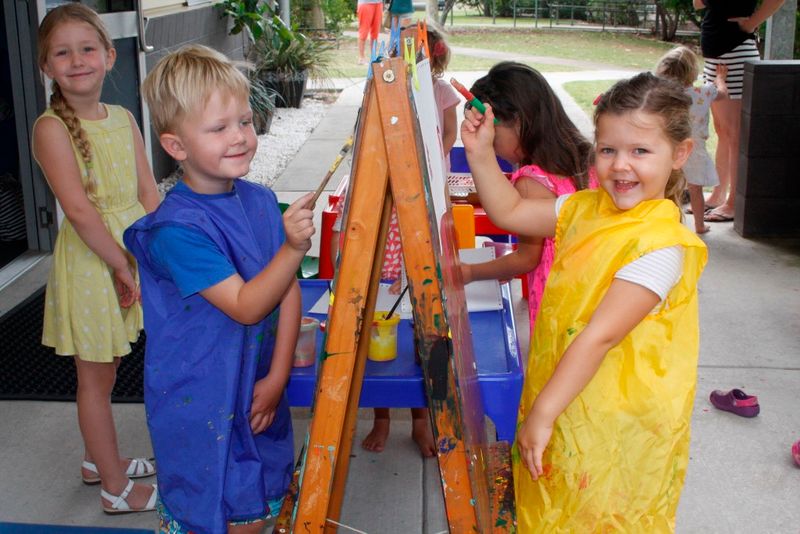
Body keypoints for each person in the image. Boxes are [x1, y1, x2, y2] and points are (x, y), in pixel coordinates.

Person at [461, 72, 708, 531]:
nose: (620, 166)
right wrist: (479, 153)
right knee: (557, 505)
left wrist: (542, 413)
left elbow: (600, 336)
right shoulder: (584, 208)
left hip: (617, 422)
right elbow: (510, 212)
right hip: (569, 396)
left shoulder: (661, 246)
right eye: (608, 149)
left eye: (640, 151)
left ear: (680, 154)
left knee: (600, 515)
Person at [124, 45, 315, 533]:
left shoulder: (259, 200)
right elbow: (247, 306)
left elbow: (286, 293)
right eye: (219, 128)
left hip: (256, 392)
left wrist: (276, 378)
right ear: (176, 146)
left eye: (246, 122)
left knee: (262, 505)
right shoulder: (177, 231)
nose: (240, 137)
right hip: (201, 401)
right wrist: (291, 249)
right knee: (213, 512)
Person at [32, 3, 160, 514]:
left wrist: (167, 251)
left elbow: (149, 190)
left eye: (88, 48)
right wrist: (120, 265)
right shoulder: (50, 128)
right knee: (95, 377)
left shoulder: (124, 116)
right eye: (62, 53)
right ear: (47, 66)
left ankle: (95, 461)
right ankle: (114, 487)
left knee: (109, 369)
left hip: (128, 255)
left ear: (110, 56)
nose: (77, 60)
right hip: (94, 263)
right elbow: (81, 213)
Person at [459, 62, 595, 333]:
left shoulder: (532, 180)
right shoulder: (590, 158)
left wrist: (471, 272)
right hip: (591, 301)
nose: (495, 149)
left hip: (558, 311)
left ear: (518, 121)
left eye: (494, 138)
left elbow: (526, 259)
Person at [694, 0, 785, 222]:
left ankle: (734, 202)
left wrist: (752, 23)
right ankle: (718, 194)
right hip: (714, 58)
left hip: (734, 54)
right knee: (722, 131)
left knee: (735, 135)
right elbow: (697, 4)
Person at [656, 45, 728, 234]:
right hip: (695, 150)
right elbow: (722, 94)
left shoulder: (663, 96)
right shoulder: (703, 93)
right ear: (693, 72)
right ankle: (699, 225)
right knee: (695, 191)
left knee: (669, 190)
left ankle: (672, 226)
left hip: (670, 149)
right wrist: (720, 79)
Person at [357, 0, 382, 65]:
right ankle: (361, 58)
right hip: (365, 3)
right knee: (363, 32)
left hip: (378, 3)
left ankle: (373, 57)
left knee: (375, 33)